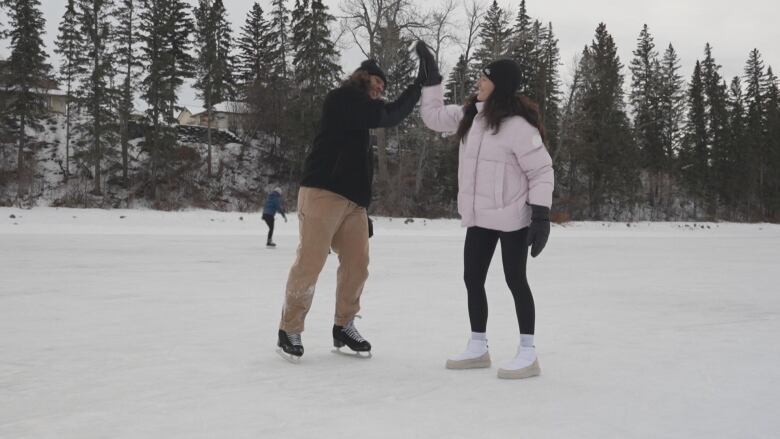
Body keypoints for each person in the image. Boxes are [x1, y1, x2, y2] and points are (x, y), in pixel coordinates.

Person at [416, 41, 554, 379]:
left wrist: (541, 215)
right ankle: (478, 345)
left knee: (515, 280)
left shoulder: (519, 126)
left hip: (512, 218)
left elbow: (541, 171)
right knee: (472, 278)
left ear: (500, 85)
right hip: (479, 216)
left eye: (485, 76)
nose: (478, 80)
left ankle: (528, 351)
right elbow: (433, 117)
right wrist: (431, 79)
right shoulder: (471, 115)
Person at [276, 59, 424, 361]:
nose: (381, 87)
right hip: (322, 193)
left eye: (384, 85)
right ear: (363, 77)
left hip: (353, 204)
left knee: (358, 263)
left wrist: (362, 210)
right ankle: (289, 328)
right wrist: (417, 87)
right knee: (311, 262)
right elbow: (389, 115)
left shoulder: (359, 117)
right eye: (377, 81)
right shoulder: (342, 98)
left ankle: (344, 325)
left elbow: (358, 162)